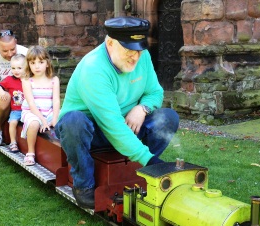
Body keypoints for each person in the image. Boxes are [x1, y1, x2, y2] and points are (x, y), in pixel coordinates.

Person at [54, 16, 179, 209]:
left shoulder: (142, 56)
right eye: (129, 50)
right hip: (93, 132)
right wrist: (153, 161)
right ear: (110, 43)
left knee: (169, 118)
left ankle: (138, 173)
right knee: (73, 122)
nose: (135, 57)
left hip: (128, 126)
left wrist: (142, 108)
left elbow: (155, 92)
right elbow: (111, 125)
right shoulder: (93, 69)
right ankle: (84, 186)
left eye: (139, 50)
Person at [20, 46, 60, 166]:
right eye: (33, 63)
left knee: (65, 119)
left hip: (48, 111)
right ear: (29, 64)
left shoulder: (54, 80)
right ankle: (30, 152)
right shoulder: (27, 81)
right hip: (32, 112)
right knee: (34, 124)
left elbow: (56, 100)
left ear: (47, 63)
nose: (37, 66)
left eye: (41, 62)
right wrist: (43, 121)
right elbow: (31, 104)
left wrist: (54, 119)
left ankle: (63, 151)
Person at [0, 54, 26, 153]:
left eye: (19, 68)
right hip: (16, 110)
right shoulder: (9, 80)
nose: (16, 71)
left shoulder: (29, 80)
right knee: (12, 123)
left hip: (28, 109)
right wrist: (2, 92)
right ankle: (13, 143)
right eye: (13, 68)